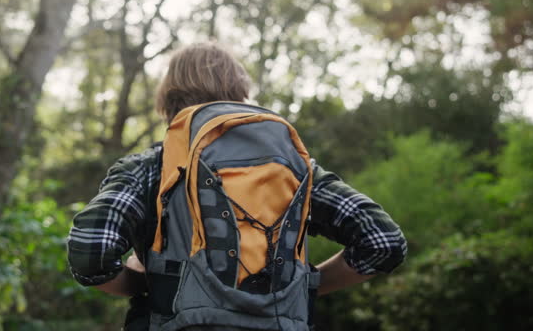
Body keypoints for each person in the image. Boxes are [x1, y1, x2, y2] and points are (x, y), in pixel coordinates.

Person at [67, 42, 406, 330]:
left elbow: (90, 252)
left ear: (168, 101)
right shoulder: (297, 169)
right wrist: (300, 286)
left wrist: (151, 282)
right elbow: (383, 242)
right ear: (240, 93)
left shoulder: (150, 169)